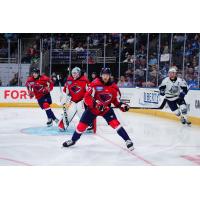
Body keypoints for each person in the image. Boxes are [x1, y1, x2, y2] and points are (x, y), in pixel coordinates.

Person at [62, 68, 134, 151]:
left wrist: (123, 106)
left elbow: (116, 101)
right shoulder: (94, 84)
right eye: (104, 75)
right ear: (101, 75)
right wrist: (95, 104)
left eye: (107, 75)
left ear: (110, 76)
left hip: (106, 110)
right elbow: (87, 97)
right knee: (81, 126)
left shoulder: (114, 88)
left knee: (116, 124)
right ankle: (73, 140)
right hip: (92, 110)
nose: (105, 77)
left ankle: (127, 140)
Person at [58, 67, 91, 131]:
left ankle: (89, 125)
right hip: (72, 101)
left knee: (83, 114)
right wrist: (64, 97)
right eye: (73, 73)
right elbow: (66, 91)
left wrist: (87, 98)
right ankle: (63, 124)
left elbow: (89, 91)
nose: (74, 74)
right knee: (69, 113)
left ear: (79, 73)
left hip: (81, 101)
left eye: (75, 73)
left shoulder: (84, 80)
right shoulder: (69, 80)